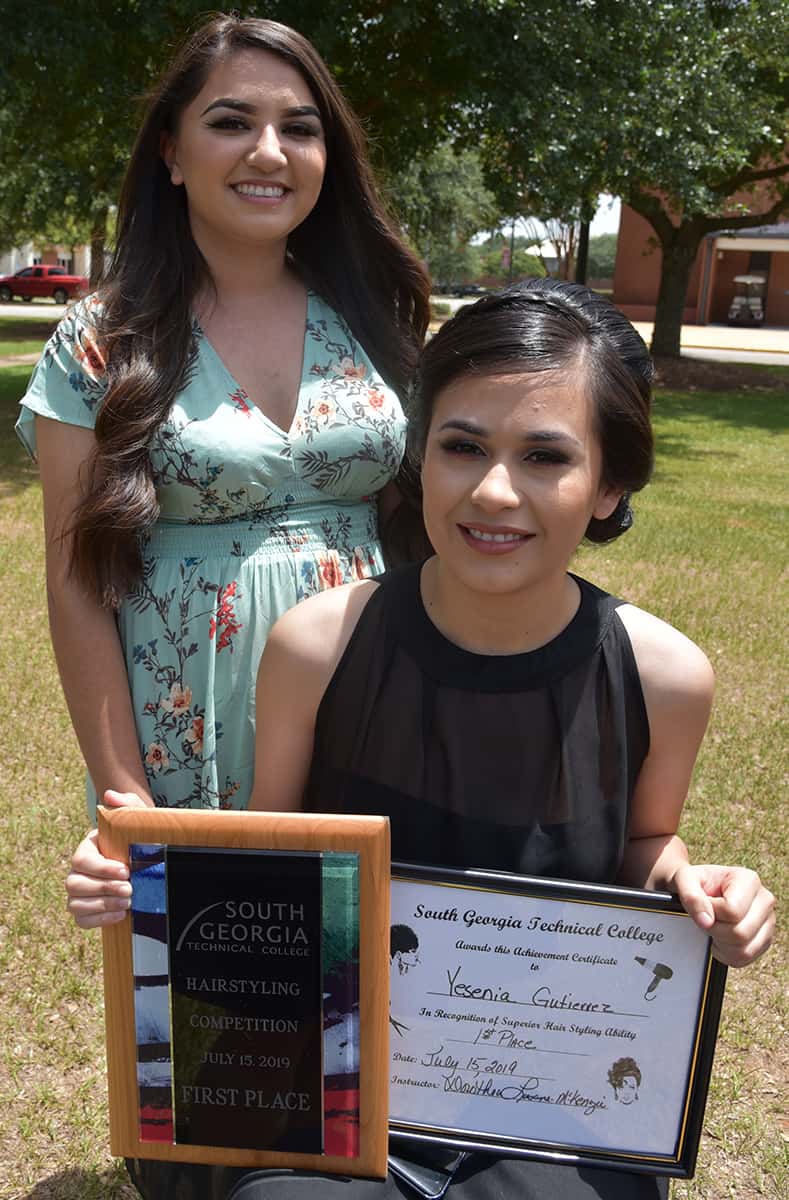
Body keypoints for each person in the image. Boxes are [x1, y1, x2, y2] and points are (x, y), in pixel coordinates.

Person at [72, 280, 775, 1199]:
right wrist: (139, 882)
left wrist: (693, 888)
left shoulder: (663, 675)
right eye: (462, 446)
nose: (493, 491)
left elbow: (645, 844)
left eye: (544, 457)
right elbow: (261, 860)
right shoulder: (317, 644)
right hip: (325, 1063)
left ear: (608, 487)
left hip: (536, 1083)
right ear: (418, 455)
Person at [16, 13, 430, 831]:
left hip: (368, 697)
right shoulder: (102, 340)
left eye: (299, 129)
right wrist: (121, 791)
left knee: (373, 949)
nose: (268, 152)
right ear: (171, 152)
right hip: (185, 712)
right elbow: (75, 581)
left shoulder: (372, 319)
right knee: (212, 952)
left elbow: (417, 523)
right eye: (231, 122)